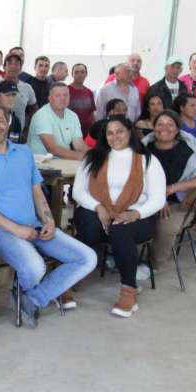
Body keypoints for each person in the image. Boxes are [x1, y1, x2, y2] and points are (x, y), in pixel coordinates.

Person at [0, 105, 97, 328]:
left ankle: (31, 298)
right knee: (36, 268)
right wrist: (16, 230)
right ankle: (37, 293)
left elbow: (36, 191)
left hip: (34, 226)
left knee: (87, 258)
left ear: (8, 123)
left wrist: (48, 220)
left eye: (0, 121)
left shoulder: (24, 152)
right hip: (0, 233)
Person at [72, 116, 166, 317]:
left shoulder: (147, 160)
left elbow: (158, 198)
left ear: (130, 132)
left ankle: (128, 290)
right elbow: (78, 192)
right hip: (100, 211)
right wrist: (98, 207)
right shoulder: (92, 158)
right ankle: (68, 280)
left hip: (138, 216)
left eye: (120, 131)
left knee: (120, 229)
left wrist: (135, 213)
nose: (115, 137)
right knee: (87, 226)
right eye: (110, 133)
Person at [142, 111, 196, 273]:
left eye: (170, 124)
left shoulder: (186, 151)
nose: (164, 128)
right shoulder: (145, 149)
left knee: (165, 227)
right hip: (148, 198)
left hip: (179, 202)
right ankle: (129, 258)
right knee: (130, 220)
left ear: (177, 129)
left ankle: (154, 265)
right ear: (154, 127)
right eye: (160, 124)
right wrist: (158, 198)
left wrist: (172, 188)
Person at [28, 83, 87, 160]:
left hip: (63, 162)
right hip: (40, 165)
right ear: (50, 98)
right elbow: (52, 148)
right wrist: (82, 157)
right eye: (58, 95)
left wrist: (95, 155)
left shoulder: (73, 115)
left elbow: (79, 145)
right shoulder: (41, 116)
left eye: (65, 95)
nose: (63, 98)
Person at [1, 53, 37, 126]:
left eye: (16, 64)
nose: (13, 66)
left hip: (18, 133)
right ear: (4, 67)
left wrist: (27, 128)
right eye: (10, 63)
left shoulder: (27, 88)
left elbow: (34, 109)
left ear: (20, 68)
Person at [67, 63, 95, 134]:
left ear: (86, 74)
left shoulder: (89, 92)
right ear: (72, 74)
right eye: (76, 72)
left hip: (87, 132)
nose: (80, 75)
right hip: (71, 132)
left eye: (82, 72)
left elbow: (92, 113)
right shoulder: (66, 91)